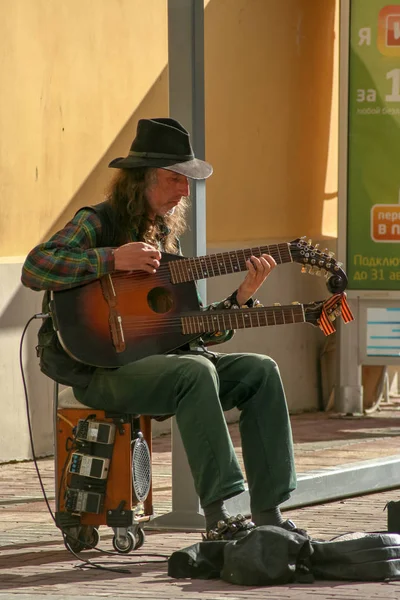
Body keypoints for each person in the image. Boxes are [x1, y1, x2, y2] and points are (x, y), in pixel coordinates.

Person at [21, 117, 306, 540]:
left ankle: (269, 515)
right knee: (196, 371)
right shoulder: (96, 222)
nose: (185, 191)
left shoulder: (166, 243)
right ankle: (221, 517)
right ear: (142, 180)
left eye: (187, 181)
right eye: (175, 178)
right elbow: (36, 266)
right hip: (103, 373)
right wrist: (113, 260)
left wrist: (241, 298)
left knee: (260, 370)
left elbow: (185, 331)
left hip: (166, 368)